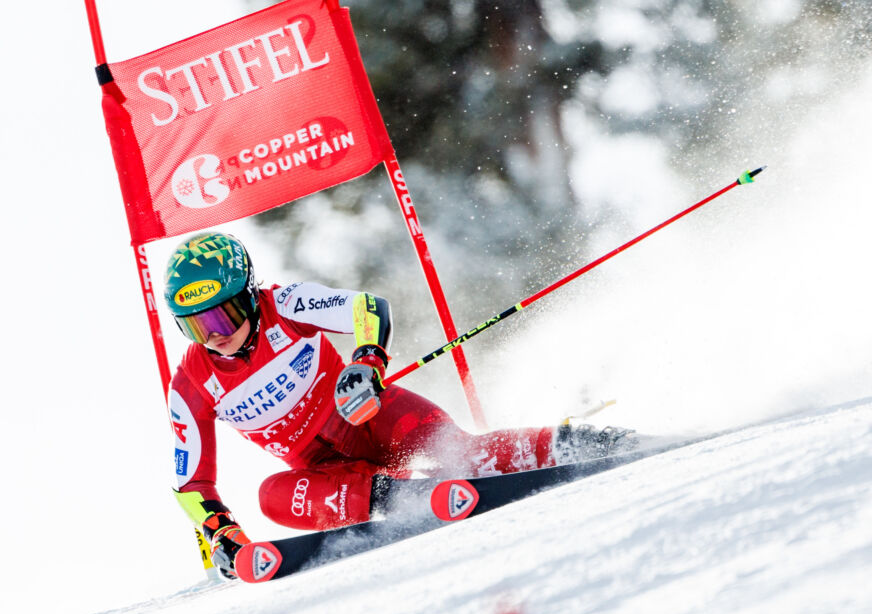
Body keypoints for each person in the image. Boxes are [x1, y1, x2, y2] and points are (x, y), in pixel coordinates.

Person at [165, 232, 627, 579]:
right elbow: (191, 483)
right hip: (330, 474)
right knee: (272, 496)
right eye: (194, 327)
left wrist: (367, 362)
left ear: (248, 295)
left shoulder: (283, 304)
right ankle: (403, 497)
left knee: (461, 455)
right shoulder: (191, 382)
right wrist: (220, 533)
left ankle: (579, 441)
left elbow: (366, 307)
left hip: (372, 420)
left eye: (221, 315)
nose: (214, 335)